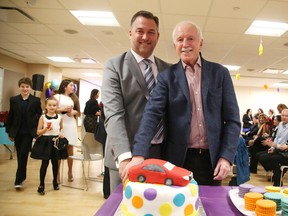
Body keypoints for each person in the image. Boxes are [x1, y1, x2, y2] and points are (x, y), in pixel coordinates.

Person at [123, 21, 241, 185]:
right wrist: (138, 155)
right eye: (180, 40)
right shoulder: (166, 77)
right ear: (174, 45)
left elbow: (233, 121)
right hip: (178, 160)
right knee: (178, 208)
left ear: (200, 42)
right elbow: (151, 114)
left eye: (190, 38)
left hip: (212, 162)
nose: (185, 44)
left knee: (209, 208)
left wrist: (226, 157)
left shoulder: (220, 73)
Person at [101, 10, 170, 192]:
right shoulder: (114, 66)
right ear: (130, 33)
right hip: (126, 153)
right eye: (140, 31)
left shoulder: (168, 70)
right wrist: (124, 158)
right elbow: (113, 114)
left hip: (161, 155)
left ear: (158, 36)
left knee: (158, 208)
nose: (145, 37)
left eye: (151, 32)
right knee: (125, 209)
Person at [5, 77, 42, 189]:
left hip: (29, 132)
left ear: (30, 88)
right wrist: (9, 132)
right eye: (22, 87)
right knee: (20, 155)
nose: (25, 89)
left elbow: (40, 116)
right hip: (17, 132)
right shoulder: (14, 99)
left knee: (23, 154)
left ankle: (18, 180)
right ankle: (22, 176)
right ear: (19, 87)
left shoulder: (35, 100)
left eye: (27, 87)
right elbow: (11, 116)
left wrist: (37, 130)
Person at [31, 97, 64, 195]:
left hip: (55, 141)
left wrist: (61, 134)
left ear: (56, 106)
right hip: (45, 141)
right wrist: (45, 129)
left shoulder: (59, 117)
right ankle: (41, 184)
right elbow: (38, 131)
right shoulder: (43, 117)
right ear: (46, 106)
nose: (52, 107)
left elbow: (61, 128)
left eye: (54, 105)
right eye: (50, 105)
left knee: (55, 163)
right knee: (44, 163)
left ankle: (55, 181)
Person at [54, 79, 80, 182]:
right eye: (71, 85)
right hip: (61, 124)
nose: (73, 87)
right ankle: (57, 173)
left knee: (70, 148)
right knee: (59, 148)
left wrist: (73, 112)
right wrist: (62, 109)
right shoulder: (57, 97)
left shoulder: (73, 98)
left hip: (71, 124)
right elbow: (50, 109)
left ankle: (70, 171)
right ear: (65, 86)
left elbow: (78, 111)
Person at [258, 109, 288, 186]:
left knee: (274, 158)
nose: (284, 117)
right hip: (279, 150)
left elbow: (283, 146)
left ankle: (277, 181)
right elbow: (277, 138)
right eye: (283, 115)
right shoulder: (281, 124)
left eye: (286, 116)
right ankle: (277, 175)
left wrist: (283, 146)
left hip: (286, 153)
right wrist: (273, 147)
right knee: (262, 157)